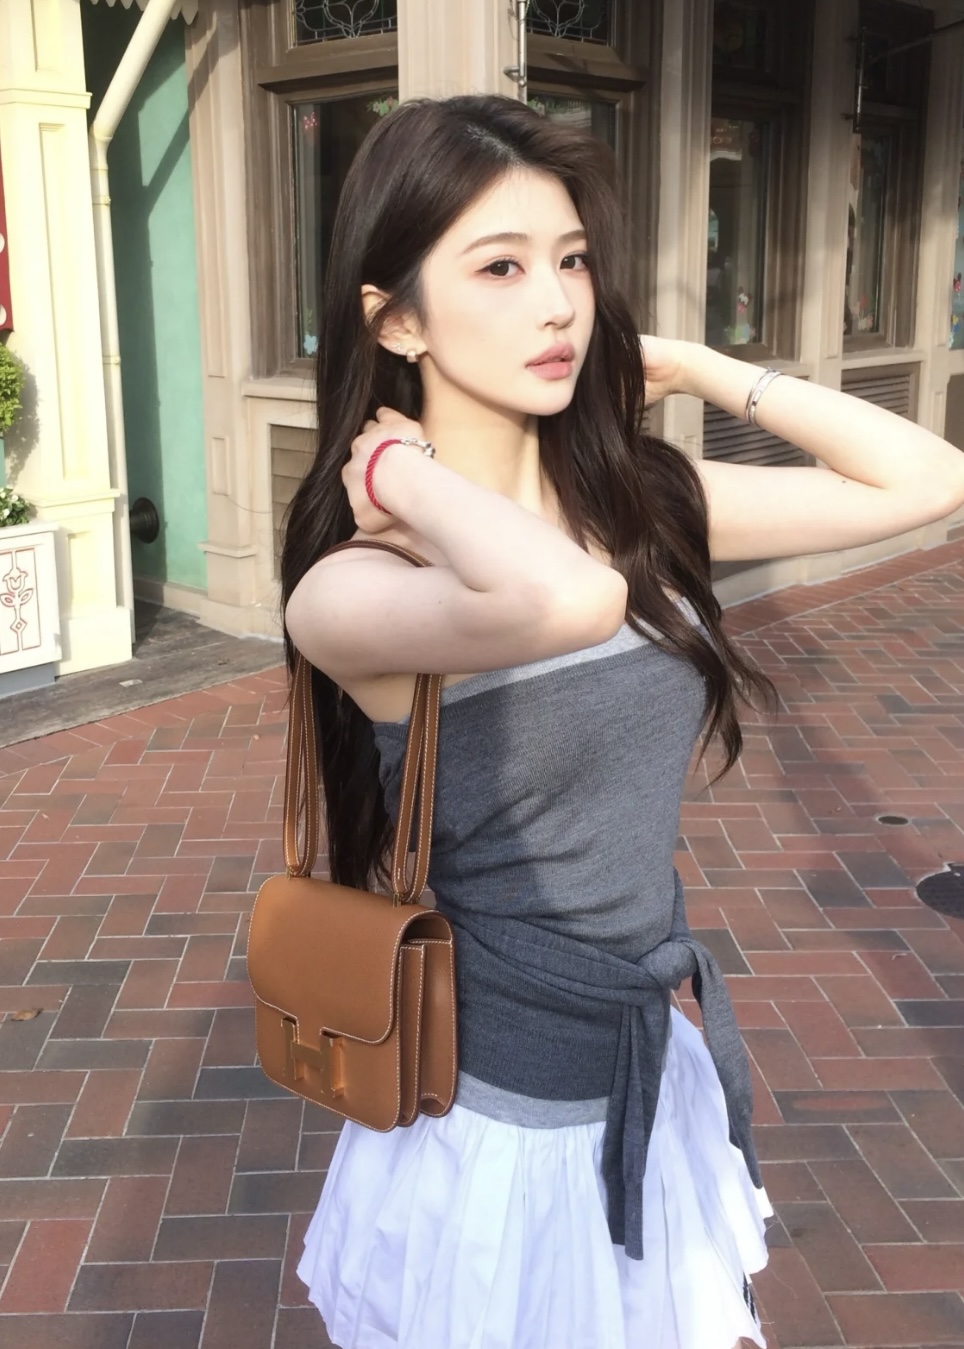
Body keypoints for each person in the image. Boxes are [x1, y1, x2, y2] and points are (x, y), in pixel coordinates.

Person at [281, 95, 964, 1349]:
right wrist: (392, 471)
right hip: (501, 1123)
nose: (558, 303)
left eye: (573, 260)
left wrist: (696, 364)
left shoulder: (638, 501)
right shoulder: (356, 586)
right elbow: (562, 598)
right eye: (500, 267)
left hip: (654, 1064)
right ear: (397, 321)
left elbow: (930, 477)